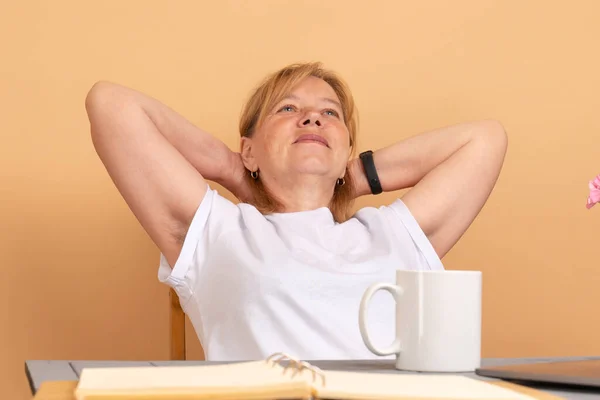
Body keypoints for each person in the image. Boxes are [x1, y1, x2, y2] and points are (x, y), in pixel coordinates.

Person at [84, 62, 507, 361]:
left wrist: (352, 175)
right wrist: (234, 169)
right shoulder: (220, 231)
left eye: (330, 113)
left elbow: (486, 141)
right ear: (250, 148)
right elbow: (111, 105)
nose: (311, 119)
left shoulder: (390, 235)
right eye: (288, 109)